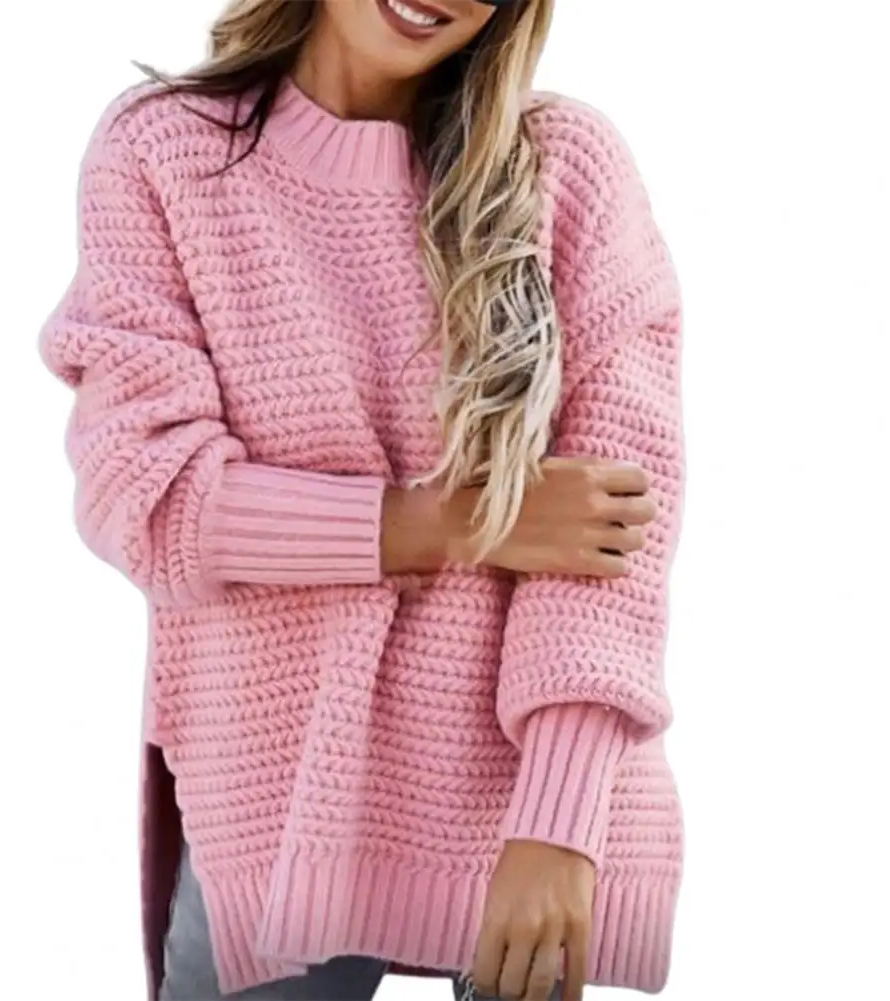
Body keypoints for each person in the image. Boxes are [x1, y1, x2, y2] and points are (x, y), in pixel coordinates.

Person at [39, 0, 685, 999]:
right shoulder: (164, 151)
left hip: (528, 807)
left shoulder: (565, 167)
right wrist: (464, 522)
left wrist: (559, 821)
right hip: (273, 799)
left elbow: (616, 537)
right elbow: (148, 498)